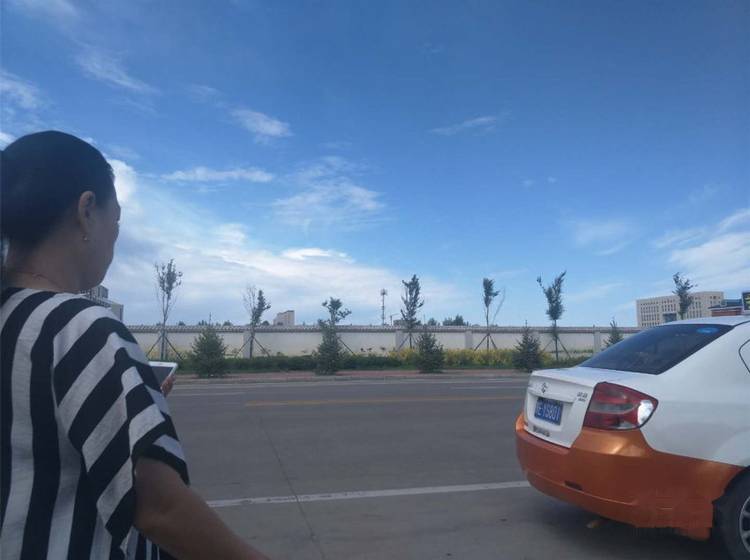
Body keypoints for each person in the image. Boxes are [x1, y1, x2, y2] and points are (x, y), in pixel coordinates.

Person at [0, 131, 270, 560]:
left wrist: (122, 405)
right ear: (86, 210)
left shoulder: (13, 317)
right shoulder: (81, 328)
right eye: (117, 222)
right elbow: (160, 509)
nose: (115, 238)